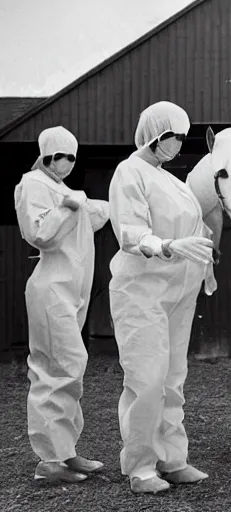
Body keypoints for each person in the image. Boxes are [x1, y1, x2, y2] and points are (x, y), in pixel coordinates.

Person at [108, 101, 214, 494]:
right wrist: (167, 244)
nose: (178, 143)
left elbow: (196, 229)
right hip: (142, 291)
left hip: (178, 292)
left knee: (172, 378)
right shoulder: (129, 172)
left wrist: (204, 257)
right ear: (154, 134)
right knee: (147, 378)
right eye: (173, 135)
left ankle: (173, 458)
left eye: (183, 136)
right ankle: (140, 467)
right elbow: (130, 232)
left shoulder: (174, 181)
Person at [14, 126, 110, 483]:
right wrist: (70, 209)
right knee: (55, 367)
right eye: (60, 156)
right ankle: (49, 461)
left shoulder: (63, 189)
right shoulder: (32, 184)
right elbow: (38, 231)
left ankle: (65, 452)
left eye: (72, 157)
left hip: (72, 290)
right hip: (51, 288)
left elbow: (93, 215)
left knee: (70, 367)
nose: (67, 163)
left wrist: (106, 205)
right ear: (47, 155)